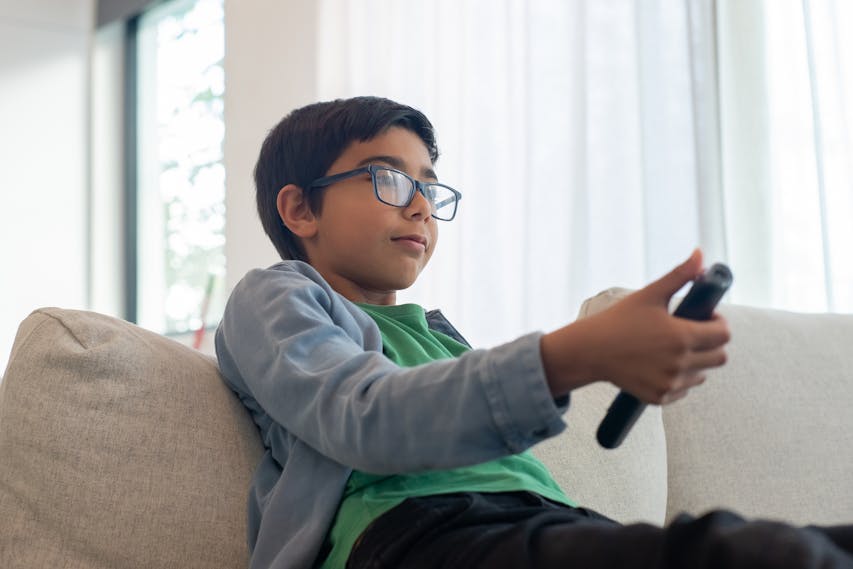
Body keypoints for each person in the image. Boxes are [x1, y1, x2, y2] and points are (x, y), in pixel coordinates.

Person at [214, 96, 853, 569]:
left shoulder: (439, 337)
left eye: (430, 188)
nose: (420, 206)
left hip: (535, 520)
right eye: (389, 179)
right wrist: (573, 355)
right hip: (411, 534)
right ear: (300, 208)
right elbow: (365, 417)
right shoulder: (275, 295)